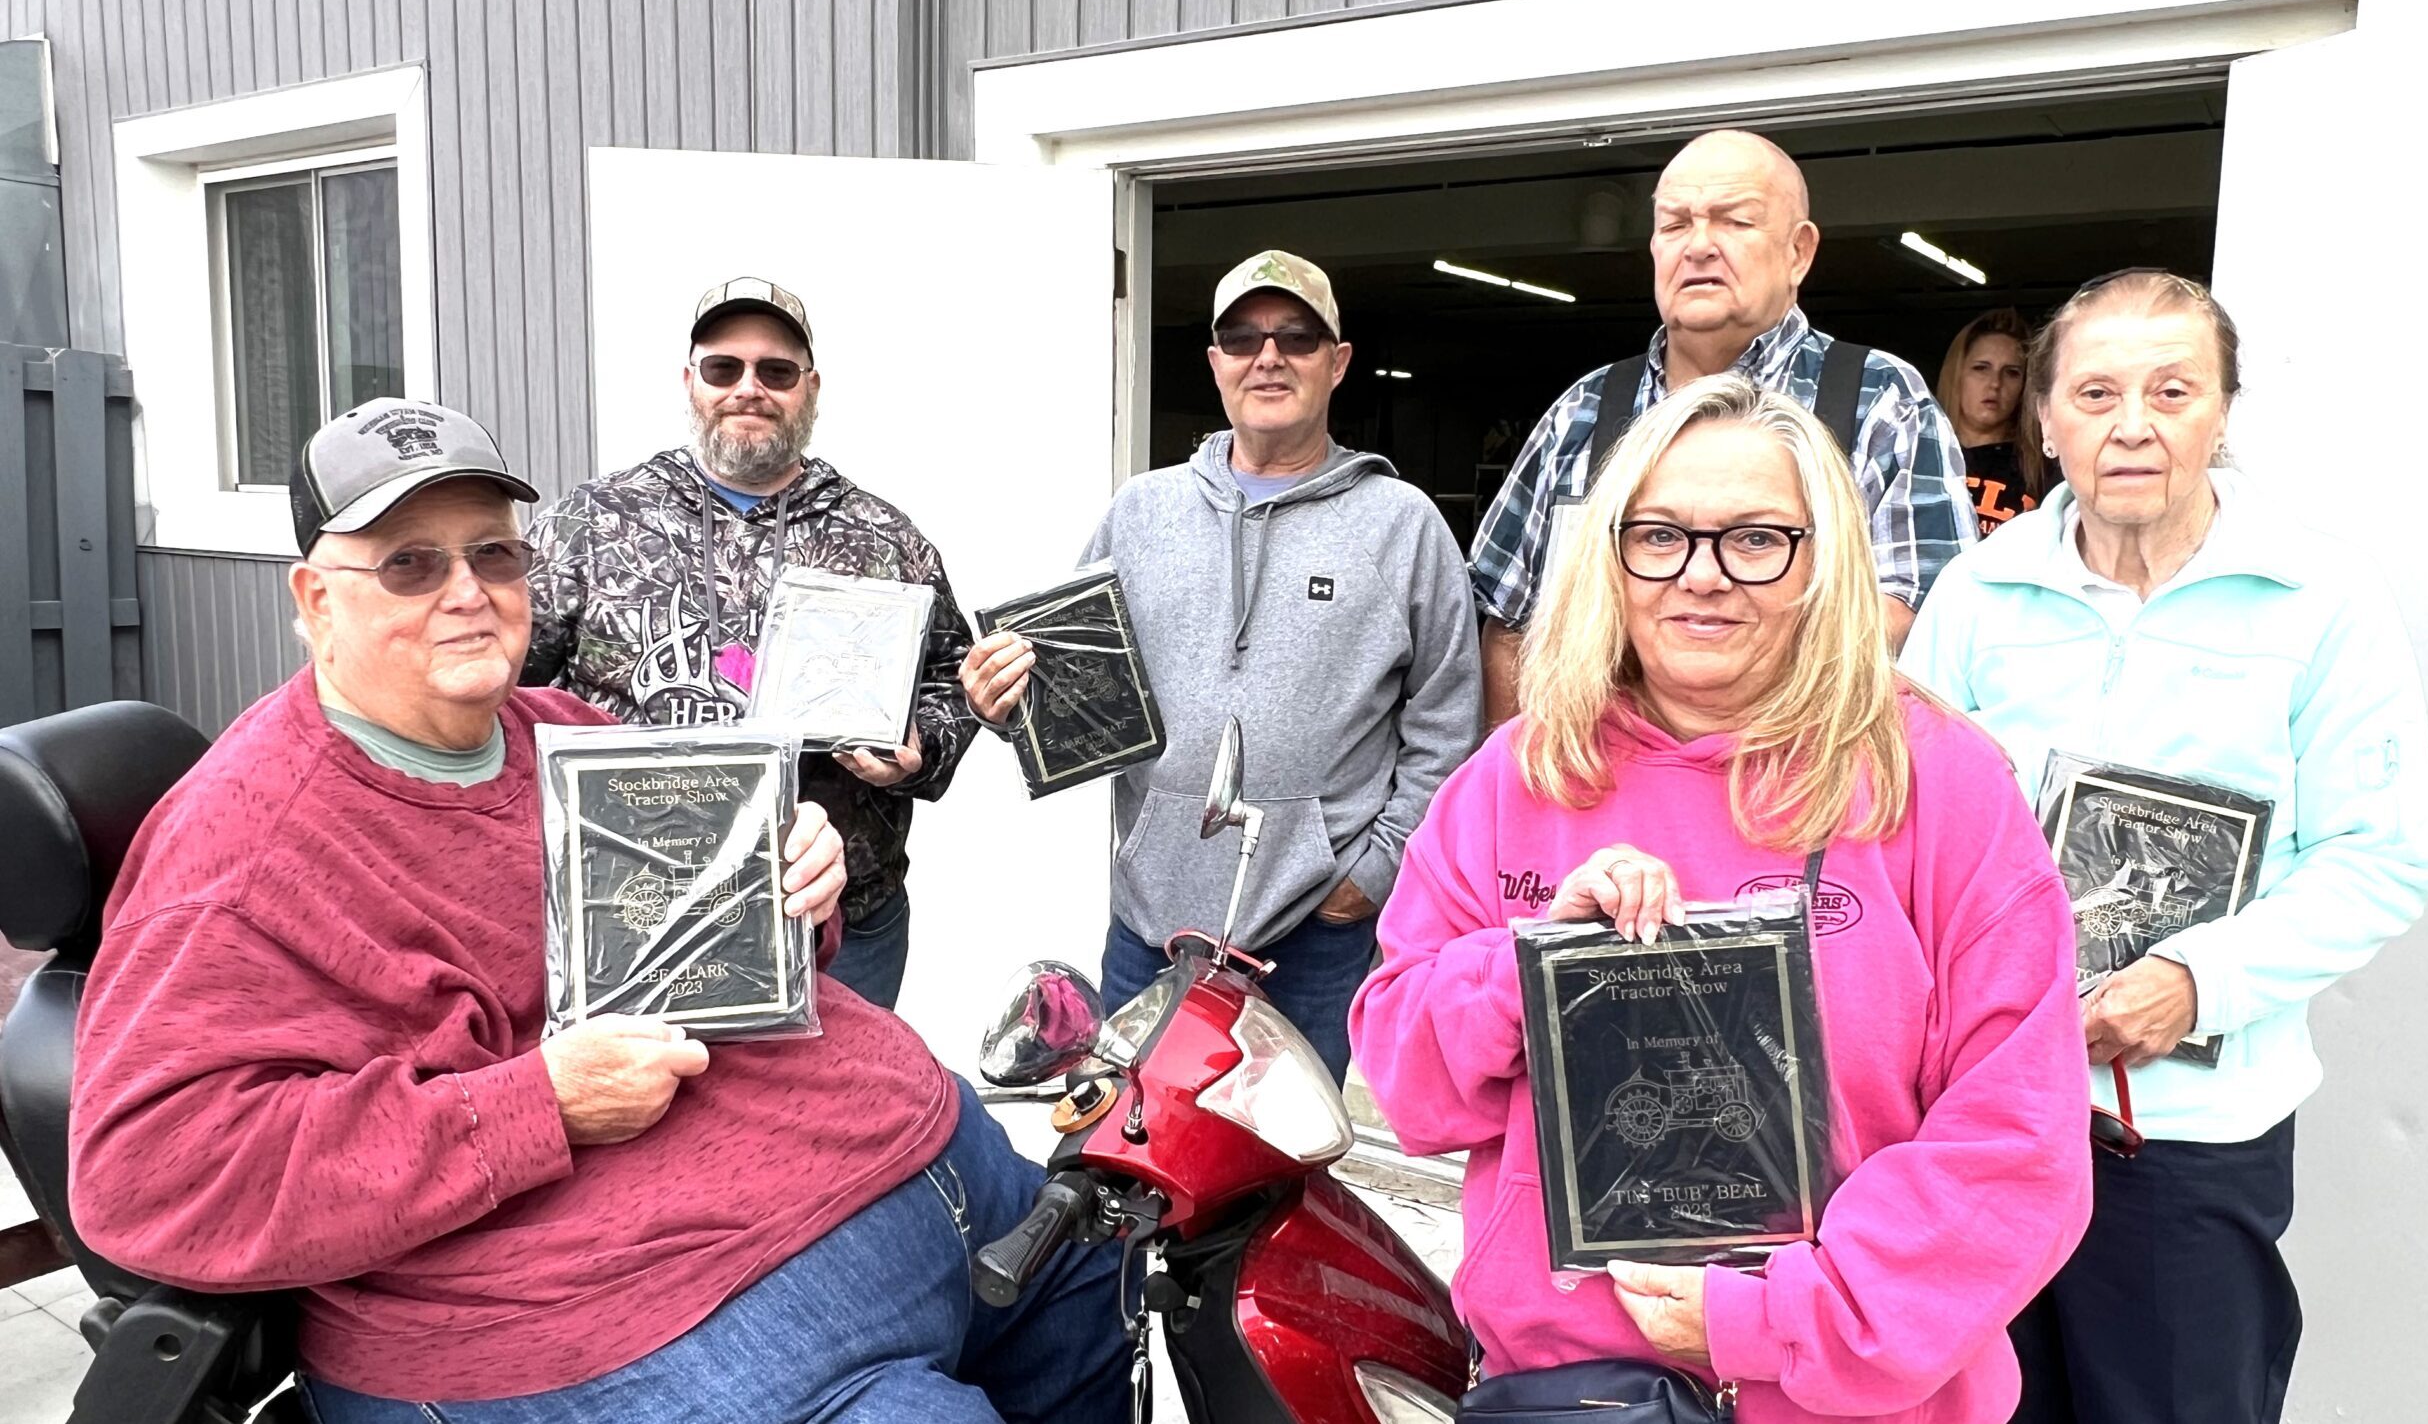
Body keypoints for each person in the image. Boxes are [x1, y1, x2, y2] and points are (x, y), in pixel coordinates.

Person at [69, 399, 1125, 1422]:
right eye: (410, 564)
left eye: (493, 554)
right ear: (314, 601)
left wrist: (800, 893)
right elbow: (151, 1179)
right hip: (658, 1318)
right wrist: (538, 1104)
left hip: (938, 1193)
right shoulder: (242, 848)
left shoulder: (568, 735)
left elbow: (725, 960)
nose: (467, 591)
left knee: (1104, 1287)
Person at [1353, 375, 2090, 1421]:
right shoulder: (1516, 779)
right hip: (1574, 1395)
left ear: (1821, 562)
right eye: (1659, 536)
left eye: (1754, 539)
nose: (1700, 576)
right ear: (1610, 557)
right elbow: (1408, 1087)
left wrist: (1780, 1316)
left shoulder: (1940, 786)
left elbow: (2018, 1143)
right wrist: (1531, 969)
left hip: (1850, 1398)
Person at [1901, 270, 2428, 1424]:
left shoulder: (2318, 600)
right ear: (2046, 419)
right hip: (1981, 1121)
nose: (2132, 424)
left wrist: (2199, 981)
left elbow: (2379, 857)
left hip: (2185, 1138)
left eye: (2171, 390)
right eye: (2095, 393)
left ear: (2221, 412)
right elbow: (1899, 829)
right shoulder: (1978, 593)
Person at [961, 251, 1479, 1084]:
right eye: (1242, 338)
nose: (1267, 357)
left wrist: (1372, 875)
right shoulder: (1142, 511)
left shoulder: (1401, 525)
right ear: (1215, 363)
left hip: (1313, 934)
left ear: (1338, 361)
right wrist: (1005, 702)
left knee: (1278, 1155)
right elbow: (1074, 686)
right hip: (1149, 926)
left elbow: (1448, 719)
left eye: (1296, 337)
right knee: (1126, 1141)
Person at [524, 279, 976, 1009]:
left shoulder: (884, 537)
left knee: (848, 1088)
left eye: (776, 371)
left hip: (842, 919)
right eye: (723, 368)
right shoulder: (594, 523)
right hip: (637, 914)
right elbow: (508, 689)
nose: (748, 389)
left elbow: (952, 675)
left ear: (811, 389)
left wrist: (920, 750)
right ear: (690, 382)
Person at [1472, 130, 1972, 720]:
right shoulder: (1583, 410)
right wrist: (1520, 762)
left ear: (1799, 252)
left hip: (1798, 767)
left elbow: (1923, 608)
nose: (1699, 246)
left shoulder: (1879, 401)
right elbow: (1509, 621)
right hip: (1590, 770)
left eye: (1734, 221)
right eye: (1675, 224)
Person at [1936, 307, 2043, 538]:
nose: (1995, 383)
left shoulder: (2040, 468)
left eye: (2011, 372)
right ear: (1957, 374)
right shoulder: (1921, 454)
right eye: (1981, 368)